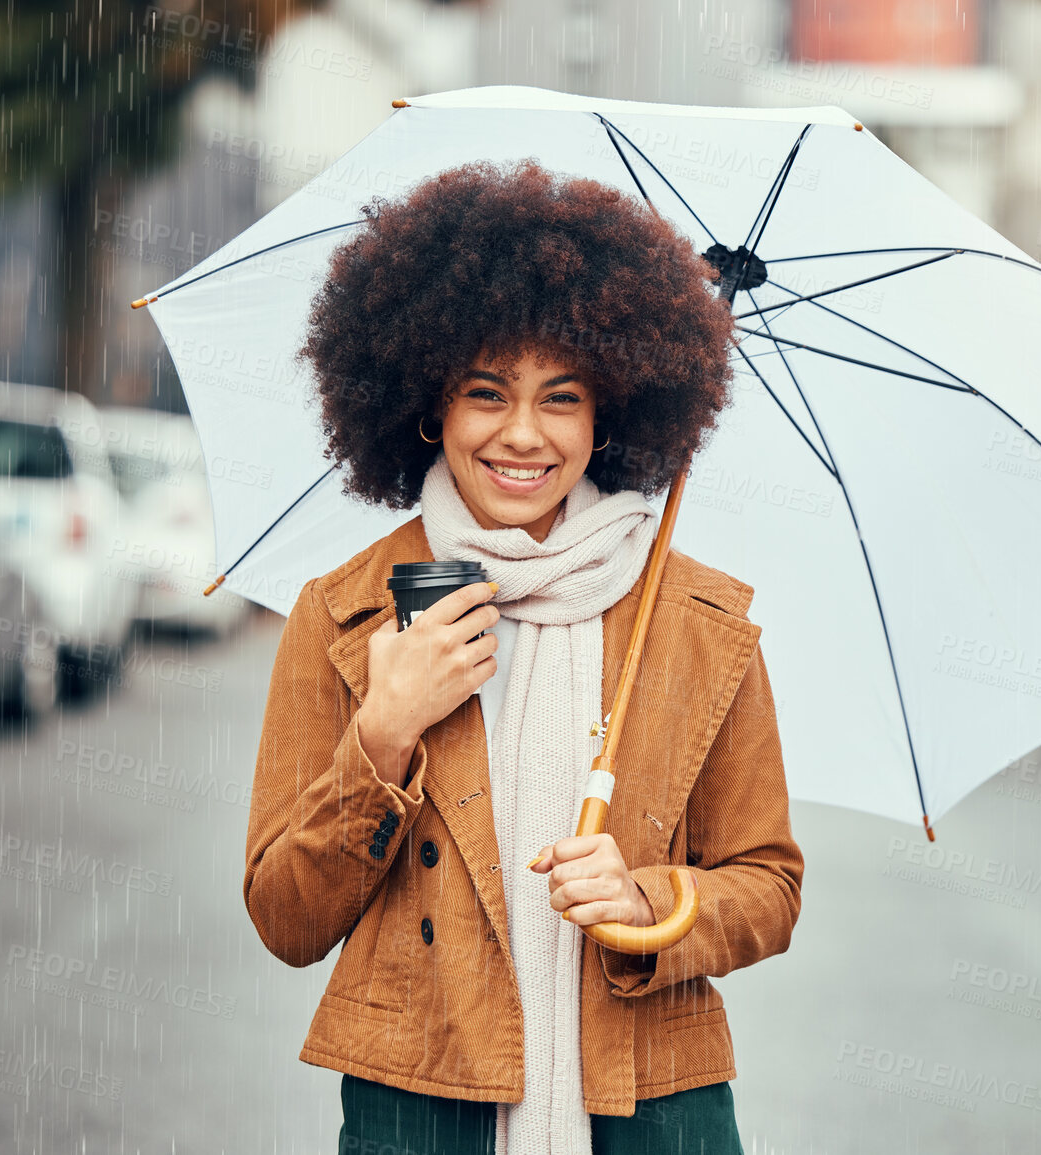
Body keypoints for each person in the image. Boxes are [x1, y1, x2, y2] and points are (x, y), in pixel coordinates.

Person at [242, 158, 804, 1155]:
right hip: (420, 1110)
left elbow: (768, 886)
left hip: (652, 1112)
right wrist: (383, 733)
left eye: (563, 397)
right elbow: (286, 918)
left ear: (611, 415)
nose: (521, 435)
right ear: (429, 406)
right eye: (485, 392)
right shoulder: (343, 616)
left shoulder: (699, 622)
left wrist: (651, 900)